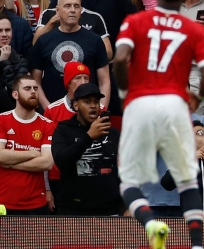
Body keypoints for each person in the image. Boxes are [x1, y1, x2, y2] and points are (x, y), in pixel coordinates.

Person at [111, 0, 204, 249]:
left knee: (128, 180)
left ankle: (151, 223)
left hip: (140, 102)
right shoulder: (193, 29)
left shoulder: (135, 21)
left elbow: (119, 60)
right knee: (187, 182)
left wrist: (124, 92)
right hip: (174, 104)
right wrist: (196, 97)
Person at [50, 82, 123, 215]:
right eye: (87, 101)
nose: (93, 106)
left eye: (96, 102)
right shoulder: (63, 130)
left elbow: (124, 170)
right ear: (76, 105)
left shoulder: (112, 133)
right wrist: (89, 136)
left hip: (109, 209)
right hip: (73, 209)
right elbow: (61, 161)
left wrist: (126, 204)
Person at [0, 75, 55, 214]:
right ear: (15, 94)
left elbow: (47, 163)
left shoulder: (48, 125)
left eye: (35, 88)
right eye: (27, 88)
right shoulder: (2, 120)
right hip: (4, 202)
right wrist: (33, 153)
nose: (33, 91)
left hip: (36, 203)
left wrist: (10, 163)